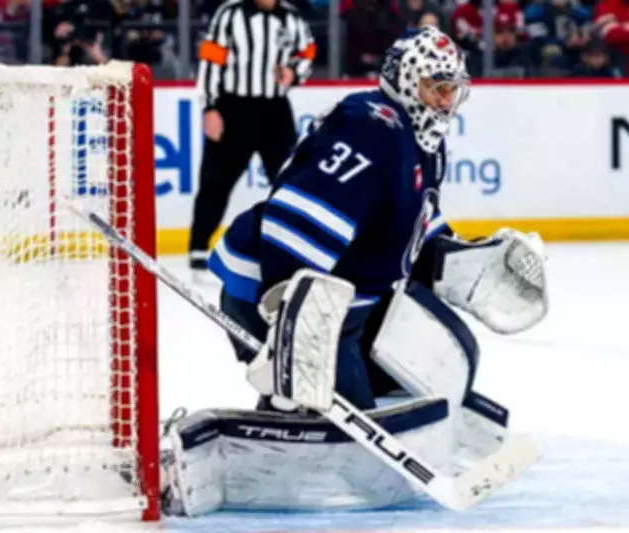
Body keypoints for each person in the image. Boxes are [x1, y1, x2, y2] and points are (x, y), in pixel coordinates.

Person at [160, 26, 548, 516]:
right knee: (331, 414)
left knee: (405, 378)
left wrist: (462, 258)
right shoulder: (369, 127)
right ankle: (238, 450)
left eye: (453, 88)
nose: (447, 100)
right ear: (404, 80)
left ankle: (301, 401)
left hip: (348, 304)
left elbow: (410, 225)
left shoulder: (424, 137)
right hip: (282, 295)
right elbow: (295, 220)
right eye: (437, 86)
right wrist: (290, 320)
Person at [188, 0, 316, 281]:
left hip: (275, 108)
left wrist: (295, 73)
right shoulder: (231, 13)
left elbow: (308, 50)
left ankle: (292, 248)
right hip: (234, 107)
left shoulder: (291, 17)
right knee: (216, 181)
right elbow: (211, 58)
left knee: (290, 182)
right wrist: (209, 106)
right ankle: (198, 249)